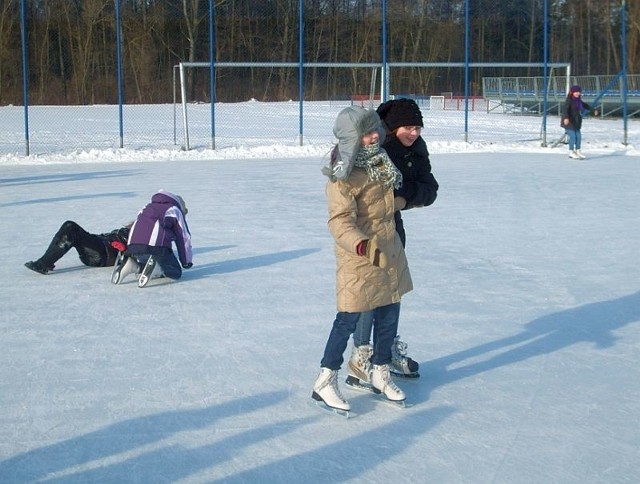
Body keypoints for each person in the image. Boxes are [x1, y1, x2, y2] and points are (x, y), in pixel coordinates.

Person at [312, 106, 413, 415]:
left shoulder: (380, 164)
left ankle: (380, 372)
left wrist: (409, 199)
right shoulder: (341, 177)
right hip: (360, 259)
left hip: (389, 252)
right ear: (351, 139)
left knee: (389, 313)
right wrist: (364, 248)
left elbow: (380, 206)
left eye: (375, 132)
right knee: (348, 319)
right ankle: (326, 380)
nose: (375, 137)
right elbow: (339, 222)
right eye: (367, 134)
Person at [347, 98, 439, 385]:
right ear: (394, 127)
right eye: (408, 128)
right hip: (366, 227)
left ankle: (384, 351)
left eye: (418, 128)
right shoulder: (375, 145)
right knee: (369, 292)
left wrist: (403, 199)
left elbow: (430, 189)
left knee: (391, 289)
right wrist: (392, 199)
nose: (414, 133)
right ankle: (361, 355)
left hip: (393, 226)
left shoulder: (417, 149)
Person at [112, 190, 193, 287]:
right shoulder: (175, 210)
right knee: (175, 272)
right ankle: (157, 268)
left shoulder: (147, 207)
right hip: (156, 247)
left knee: (146, 263)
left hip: (134, 247)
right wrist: (186, 262)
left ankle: (133, 266)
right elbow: (183, 238)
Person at [24, 221, 130, 275]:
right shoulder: (138, 227)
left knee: (70, 227)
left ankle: (43, 264)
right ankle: (45, 262)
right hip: (100, 245)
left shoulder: (143, 235)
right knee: (71, 231)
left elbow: (141, 253)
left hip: (104, 254)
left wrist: (125, 251)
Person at [562, 85, 598, 160]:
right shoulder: (569, 100)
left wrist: (593, 110)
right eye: (576, 92)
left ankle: (578, 151)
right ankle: (571, 152)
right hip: (569, 121)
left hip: (576, 121)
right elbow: (565, 109)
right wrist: (566, 118)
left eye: (579, 92)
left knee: (578, 136)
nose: (578, 93)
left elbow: (586, 106)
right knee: (573, 136)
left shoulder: (579, 101)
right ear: (572, 92)